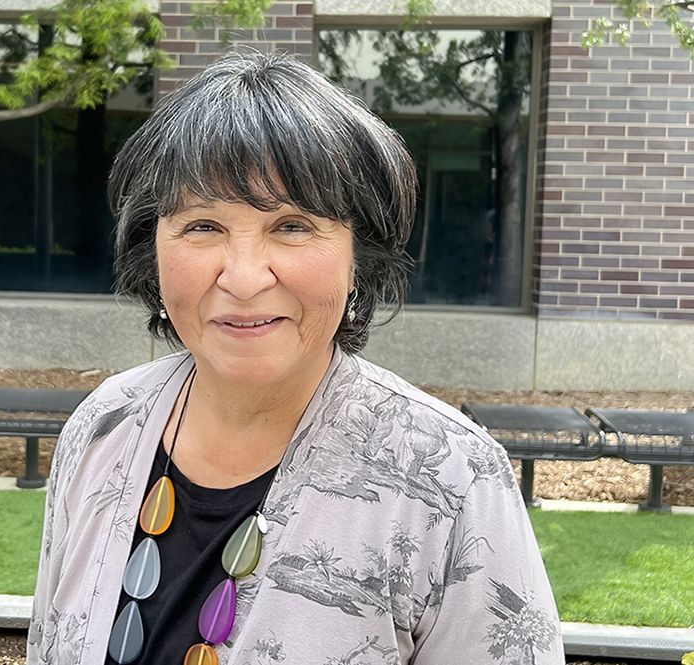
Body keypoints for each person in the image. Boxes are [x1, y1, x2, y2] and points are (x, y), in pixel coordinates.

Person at [27, 53, 562, 665]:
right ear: (153, 245)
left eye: (293, 226)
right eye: (203, 226)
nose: (245, 277)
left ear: (360, 255)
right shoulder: (103, 427)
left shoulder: (451, 480)